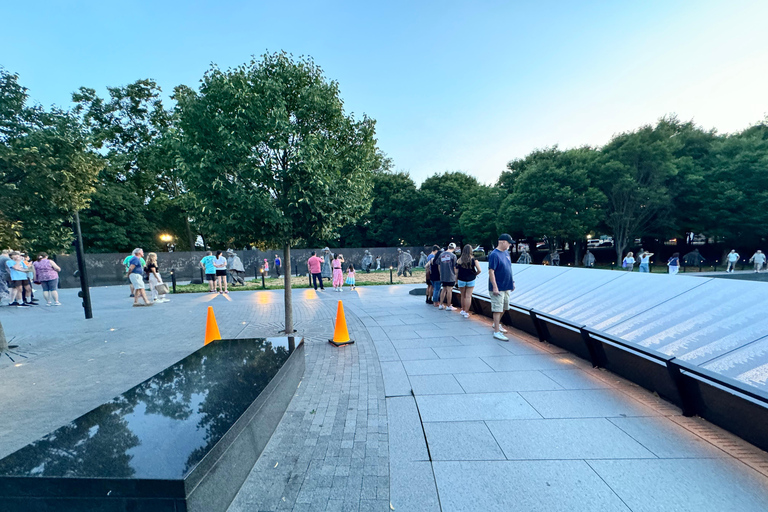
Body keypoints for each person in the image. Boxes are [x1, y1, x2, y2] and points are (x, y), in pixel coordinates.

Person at [488, 234, 515, 341]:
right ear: (503, 242)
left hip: (507, 285)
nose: (510, 245)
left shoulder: (506, 253)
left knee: (504, 306)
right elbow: (491, 271)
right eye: (509, 243)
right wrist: (495, 286)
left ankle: (497, 324)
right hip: (498, 286)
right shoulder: (494, 255)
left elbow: (509, 268)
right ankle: (496, 332)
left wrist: (512, 282)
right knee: (497, 308)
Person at [457, 244, 481, 318]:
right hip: (471, 279)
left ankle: (463, 310)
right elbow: (479, 270)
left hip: (461, 279)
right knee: (468, 296)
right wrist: (475, 274)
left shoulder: (459, 260)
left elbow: (456, 271)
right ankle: (466, 312)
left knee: (462, 295)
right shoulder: (474, 260)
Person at [438, 243, 458, 311]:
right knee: (449, 290)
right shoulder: (453, 256)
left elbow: (439, 265)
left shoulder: (441, 255)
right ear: (454, 248)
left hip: (443, 275)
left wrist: (440, 273)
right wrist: (455, 276)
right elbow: (455, 267)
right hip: (450, 275)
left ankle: (440, 304)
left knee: (443, 289)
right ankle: (449, 305)